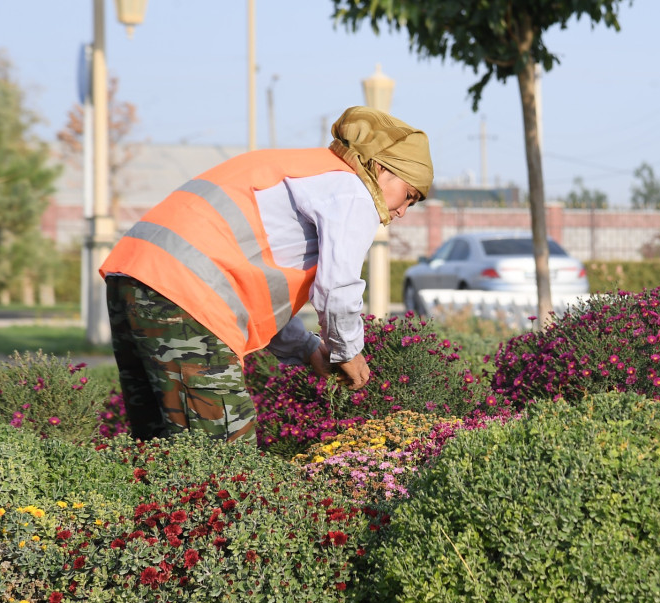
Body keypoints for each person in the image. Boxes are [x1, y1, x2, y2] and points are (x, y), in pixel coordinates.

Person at [100, 106, 433, 443]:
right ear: (380, 168)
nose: (402, 212)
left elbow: (256, 287)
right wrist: (347, 351)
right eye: (409, 196)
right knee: (224, 457)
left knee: (158, 442)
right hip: (184, 292)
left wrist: (306, 348)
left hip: (132, 277)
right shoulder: (352, 191)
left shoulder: (305, 169)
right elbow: (337, 288)